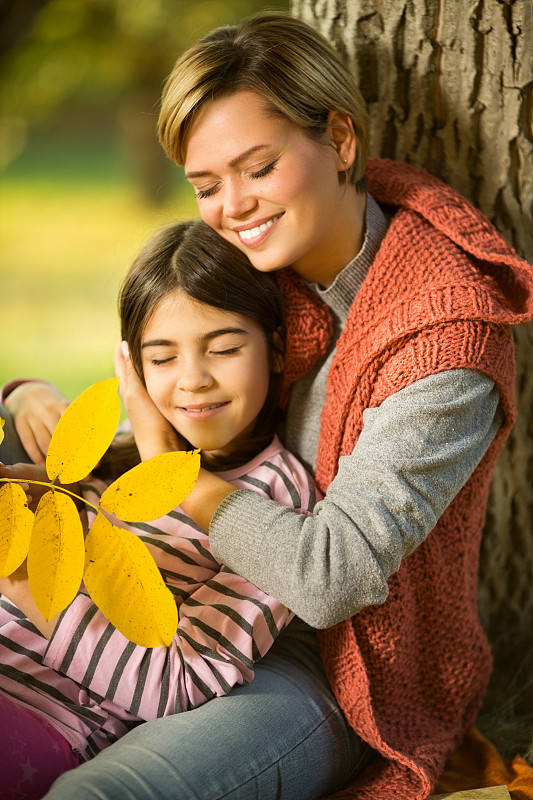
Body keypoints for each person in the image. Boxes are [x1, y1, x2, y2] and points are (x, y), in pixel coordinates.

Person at [3, 9, 533, 800]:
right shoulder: (259, 272)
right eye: (206, 184)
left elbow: (329, 580)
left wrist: (167, 473)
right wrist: (29, 398)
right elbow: (182, 393)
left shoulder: (444, 348)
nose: (233, 206)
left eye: (258, 167)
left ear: (341, 140)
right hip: (185, 605)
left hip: (333, 663)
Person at [0, 219, 331, 798]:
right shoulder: (116, 447)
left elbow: (175, 684)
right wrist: (23, 393)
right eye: (162, 358)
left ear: (276, 349)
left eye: (224, 348)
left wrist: (31, 578)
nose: (194, 381)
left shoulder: (276, 501)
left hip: (48, 720)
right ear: (132, 366)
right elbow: (25, 429)